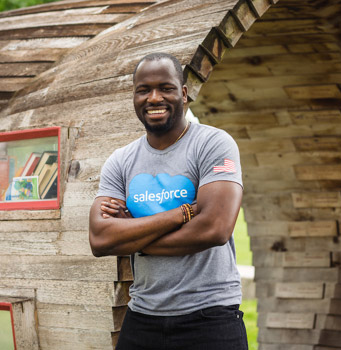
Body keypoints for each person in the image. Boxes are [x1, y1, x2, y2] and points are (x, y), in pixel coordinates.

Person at [89, 52, 247, 350]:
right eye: (143, 90)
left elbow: (215, 228)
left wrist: (134, 235)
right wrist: (183, 213)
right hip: (142, 316)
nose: (154, 97)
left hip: (210, 317)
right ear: (134, 97)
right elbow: (100, 240)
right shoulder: (120, 161)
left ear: (184, 94)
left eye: (166, 87)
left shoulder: (213, 144)